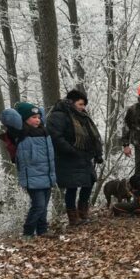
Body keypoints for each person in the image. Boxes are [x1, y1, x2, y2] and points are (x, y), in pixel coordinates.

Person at [47, 90, 103, 226]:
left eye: (84, 105)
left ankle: (83, 213)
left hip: (84, 156)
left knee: (89, 183)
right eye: (81, 104)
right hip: (68, 158)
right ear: (71, 102)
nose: (83, 107)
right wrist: (71, 150)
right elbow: (56, 137)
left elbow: (92, 136)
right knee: (72, 187)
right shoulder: (58, 116)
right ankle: (73, 218)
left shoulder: (82, 116)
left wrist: (97, 153)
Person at [0, 102, 57, 238]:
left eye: (38, 117)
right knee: (38, 206)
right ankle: (28, 232)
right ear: (24, 119)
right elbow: (8, 117)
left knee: (43, 207)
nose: (37, 119)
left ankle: (42, 231)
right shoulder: (20, 133)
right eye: (33, 117)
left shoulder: (44, 131)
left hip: (47, 175)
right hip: (32, 176)